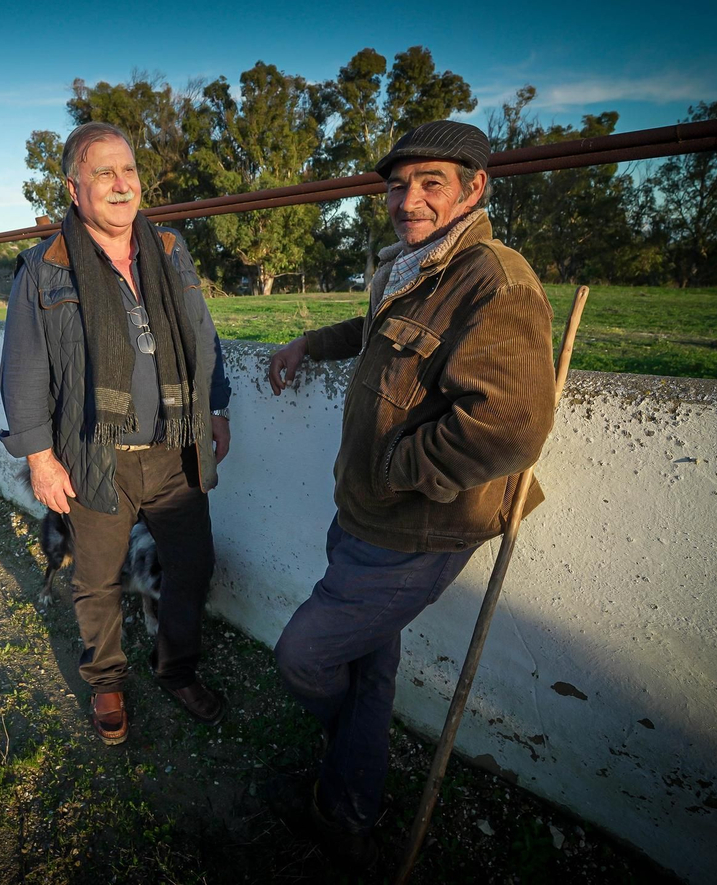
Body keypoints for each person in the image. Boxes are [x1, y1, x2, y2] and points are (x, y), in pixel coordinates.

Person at [266, 120, 556, 865]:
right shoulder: (410, 264)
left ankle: (346, 770)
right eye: (398, 184)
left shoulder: (494, 277)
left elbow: (508, 425)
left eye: (431, 182)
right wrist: (309, 343)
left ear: (474, 188)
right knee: (372, 665)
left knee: (304, 653)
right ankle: (352, 804)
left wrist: (395, 469)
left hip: (416, 528)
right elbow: (380, 336)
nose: (409, 198)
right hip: (363, 511)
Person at [0, 122, 233, 745]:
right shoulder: (44, 268)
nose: (120, 184)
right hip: (92, 456)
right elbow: (23, 369)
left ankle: (176, 666)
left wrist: (216, 408)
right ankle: (105, 678)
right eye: (103, 173)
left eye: (128, 171)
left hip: (173, 448)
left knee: (193, 564)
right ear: (74, 188)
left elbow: (201, 334)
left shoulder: (170, 249)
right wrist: (42, 460)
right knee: (96, 577)